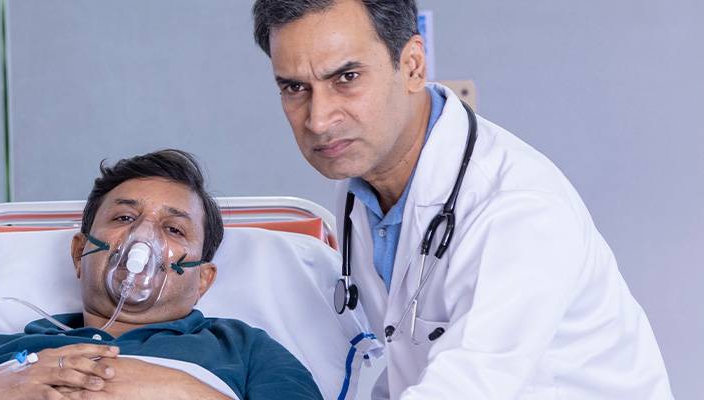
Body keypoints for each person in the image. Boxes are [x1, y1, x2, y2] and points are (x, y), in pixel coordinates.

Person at [250, 0, 672, 397]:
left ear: (412, 66)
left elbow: (467, 385)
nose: (319, 119)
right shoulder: (362, 185)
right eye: (295, 87)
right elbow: (408, 359)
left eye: (347, 78)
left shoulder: (518, 208)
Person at [0, 149, 319, 400]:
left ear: (203, 280)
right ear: (80, 252)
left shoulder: (244, 351)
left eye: (174, 229)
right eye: (124, 217)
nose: (143, 237)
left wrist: (181, 391)